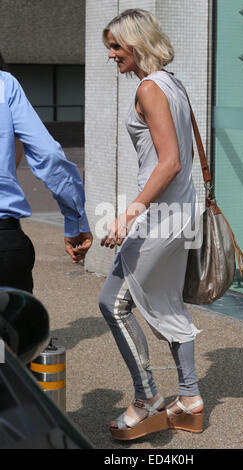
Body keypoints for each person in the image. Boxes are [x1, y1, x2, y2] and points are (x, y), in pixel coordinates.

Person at [99, 9, 204, 441]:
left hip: (159, 217)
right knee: (166, 304)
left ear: (137, 44)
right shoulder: (173, 83)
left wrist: (128, 213)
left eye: (116, 46)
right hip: (179, 215)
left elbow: (170, 162)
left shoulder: (149, 87)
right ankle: (191, 398)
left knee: (114, 303)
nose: (111, 55)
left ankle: (147, 401)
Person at [0, 65, 93, 293]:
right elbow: (49, 155)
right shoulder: (5, 84)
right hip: (5, 242)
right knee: (15, 327)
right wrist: (75, 220)